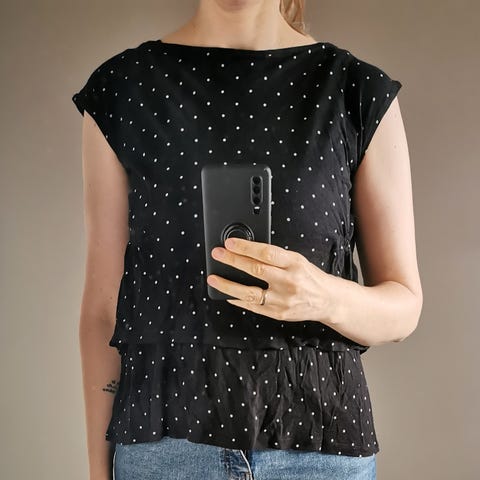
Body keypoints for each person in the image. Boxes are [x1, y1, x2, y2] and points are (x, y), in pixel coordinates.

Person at [72, 0, 423, 479]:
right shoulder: (123, 89)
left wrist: (320, 296)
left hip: (319, 454)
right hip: (165, 455)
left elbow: (404, 307)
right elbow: (102, 311)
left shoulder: (356, 91)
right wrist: (98, 472)